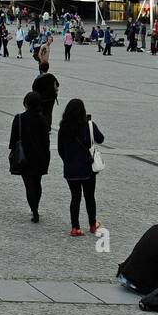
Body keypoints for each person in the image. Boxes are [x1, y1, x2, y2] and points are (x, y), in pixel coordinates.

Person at [57, 98, 103, 237]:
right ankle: (92, 224)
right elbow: (101, 139)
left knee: (75, 197)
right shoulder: (89, 125)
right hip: (87, 168)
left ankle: (75, 227)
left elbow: (60, 150)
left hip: (71, 169)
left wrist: (68, 161)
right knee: (90, 197)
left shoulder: (63, 128)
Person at [9, 91, 51, 222]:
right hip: (40, 157)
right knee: (37, 183)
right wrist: (47, 159)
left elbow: (13, 141)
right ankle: (36, 207)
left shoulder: (19, 118)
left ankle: (34, 210)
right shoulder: (43, 120)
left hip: (24, 158)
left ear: (26, 103)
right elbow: (46, 143)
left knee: (29, 185)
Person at [31, 61, 58, 128]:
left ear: (40, 69)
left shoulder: (38, 79)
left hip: (42, 99)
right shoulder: (52, 76)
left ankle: (42, 127)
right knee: (49, 113)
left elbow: (34, 89)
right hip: (51, 98)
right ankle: (48, 127)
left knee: (42, 113)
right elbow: (57, 85)